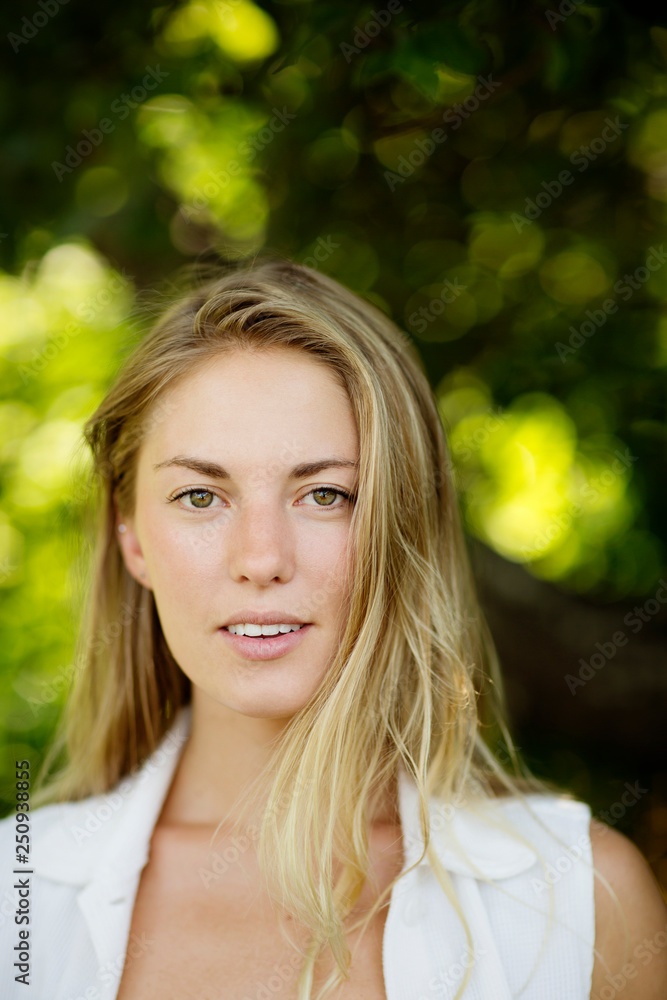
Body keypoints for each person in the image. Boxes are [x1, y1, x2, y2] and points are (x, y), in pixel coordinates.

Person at [1, 253, 666, 1000]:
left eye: (324, 494)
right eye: (198, 496)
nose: (260, 559)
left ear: (398, 523)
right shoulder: (16, 904)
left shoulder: (580, 900)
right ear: (132, 540)